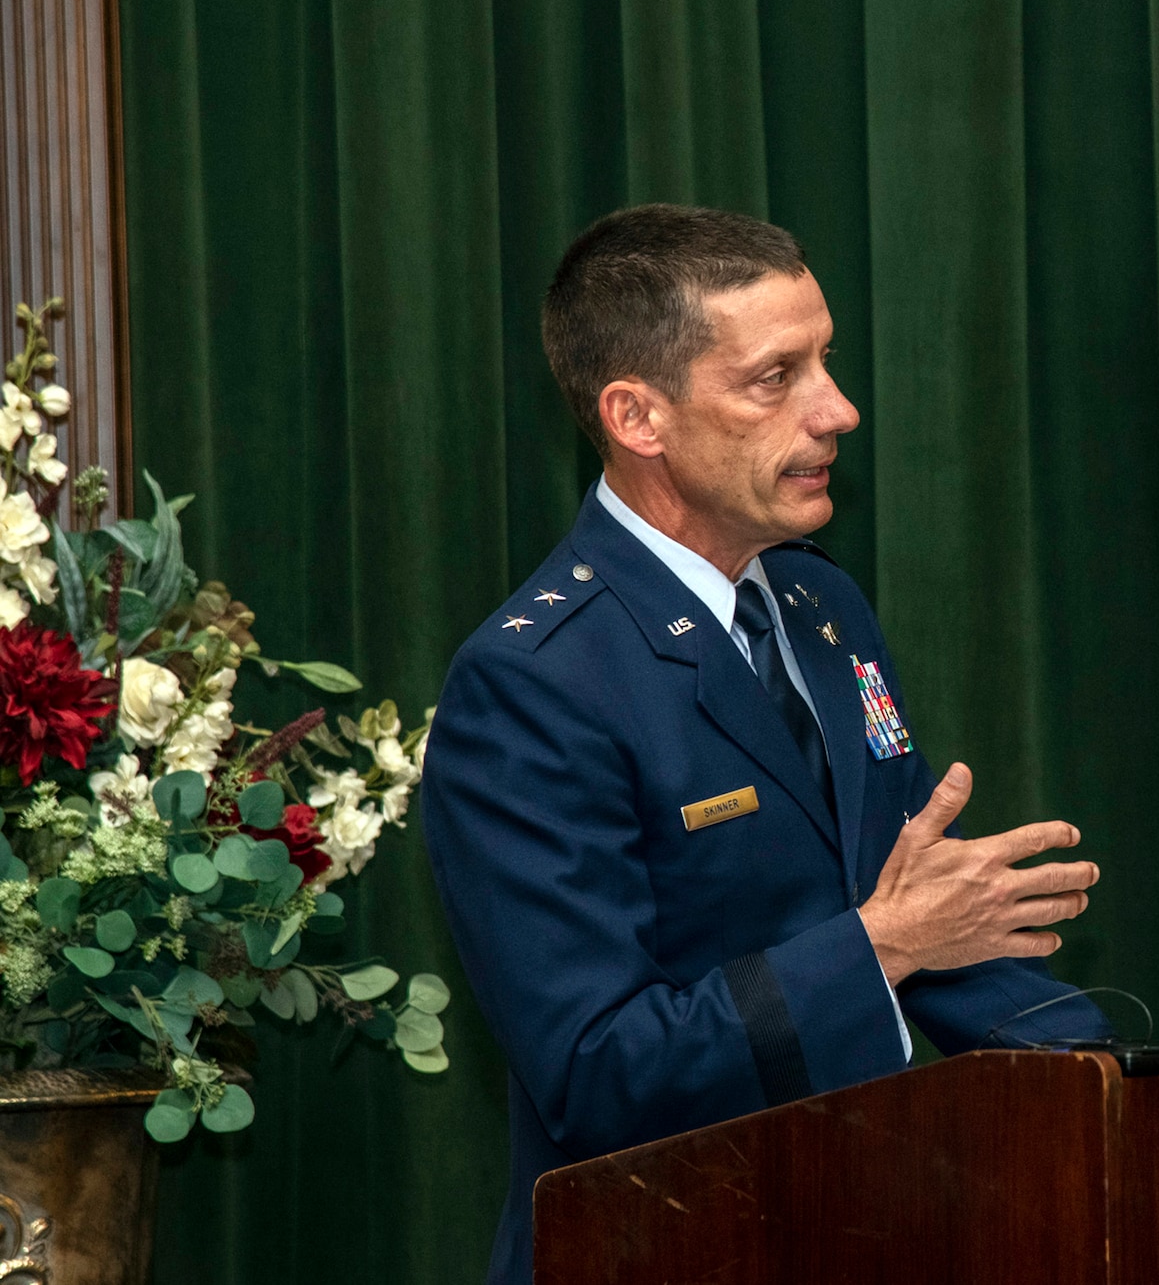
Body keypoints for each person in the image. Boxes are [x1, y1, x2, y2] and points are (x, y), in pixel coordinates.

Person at [422, 204, 1111, 1285]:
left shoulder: (817, 602)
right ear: (637, 416)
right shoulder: (532, 682)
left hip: (864, 1221)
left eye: (824, 361)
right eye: (773, 377)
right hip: (662, 1246)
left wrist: (1123, 1092)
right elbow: (598, 1071)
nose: (837, 409)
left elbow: (912, 914)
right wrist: (880, 942)